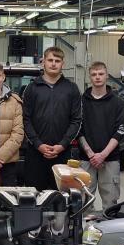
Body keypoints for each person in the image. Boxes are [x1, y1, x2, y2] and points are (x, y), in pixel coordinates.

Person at [21, 47, 82, 190]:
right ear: (43, 62)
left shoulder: (72, 89)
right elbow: (25, 119)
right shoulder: (31, 88)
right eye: (50, 60)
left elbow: (76, 120)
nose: (53, 64)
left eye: (57, 61)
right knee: (34, 198)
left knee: (61, 198)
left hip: (63, 154)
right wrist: (38, 144)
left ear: (63, 64)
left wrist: (62, 145)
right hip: (36, 154)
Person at [80, 61, 124, 210]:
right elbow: (78, 129)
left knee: (110, 202)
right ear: (90, 77)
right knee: (84, 202)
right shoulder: (81, 102)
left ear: (107, 75)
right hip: (86, 159)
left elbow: (120, 130)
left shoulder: (118, 103)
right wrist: (91, 154)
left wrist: (103, 155)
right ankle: (86, 232)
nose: (97, 77)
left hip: (111, 159)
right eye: (94, 74)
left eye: (101, 74)